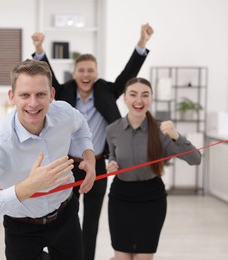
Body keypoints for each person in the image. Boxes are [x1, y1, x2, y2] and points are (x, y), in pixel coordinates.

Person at [31, 23, 154, 260]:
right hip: (67, 166)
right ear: (74, 73)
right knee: (67, 219)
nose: (86, 75)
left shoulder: (106, 91)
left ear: (96, 73)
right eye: (81, 70)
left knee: (92, 221)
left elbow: (128, 74)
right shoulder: (64, 91)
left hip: (96, 164)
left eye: (90, 70)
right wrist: (39, 49)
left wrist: (142, 42)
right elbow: (48, 75)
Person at [0, 59, 96, 260]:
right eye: (25, 95)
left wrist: (89, 156)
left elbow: (81, 128)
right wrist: (29, 186)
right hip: (21, 227)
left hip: (66, 215)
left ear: (52, 94)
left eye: (41, 94)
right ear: (12, 97)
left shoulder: (64, 112)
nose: (33, 103)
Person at [105, 77, 202, 260]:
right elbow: (112, 155)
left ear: (151, 98)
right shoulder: (112, 130)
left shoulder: (162, 130)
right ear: (124, 98)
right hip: (121, 198)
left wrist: (176, 135)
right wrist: (111, 164)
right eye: (133, 95)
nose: (139, 101)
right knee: (122, 257)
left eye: (145, 95)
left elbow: (195, 159)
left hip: (151, 199)